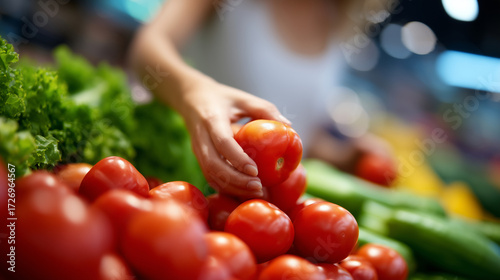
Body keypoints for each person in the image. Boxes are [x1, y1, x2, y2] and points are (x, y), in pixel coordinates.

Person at [129, 0, 391, 197]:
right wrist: (192, 91)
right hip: (173, 180)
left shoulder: (338, 22)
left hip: (253, 206)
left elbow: (294, 132)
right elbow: (149, 47)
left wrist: (342, 158)